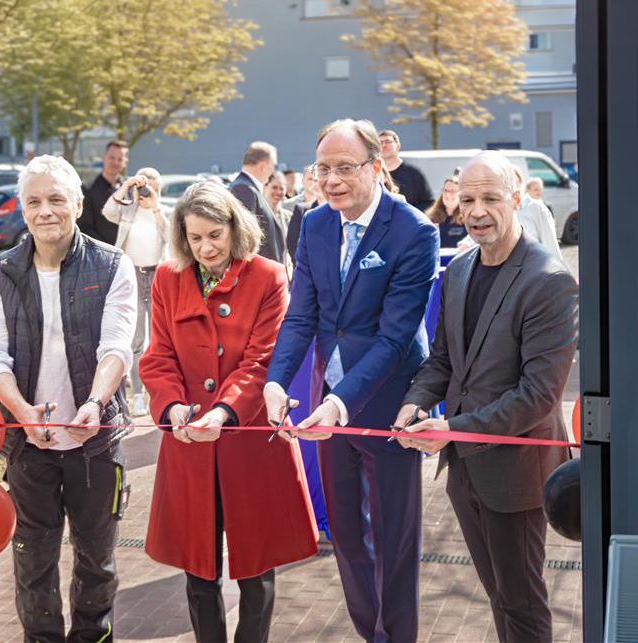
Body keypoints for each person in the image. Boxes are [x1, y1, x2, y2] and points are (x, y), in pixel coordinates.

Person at [264, 119, 440, 642]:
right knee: (345, 534)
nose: (332, 180)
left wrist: (340, 403)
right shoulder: (314, 224)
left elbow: (394, 339)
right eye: (323, 169)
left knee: (394, 540)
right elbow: (301, 316)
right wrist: (277, 380)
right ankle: (372, 633)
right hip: (326, 406)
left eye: (345, 168)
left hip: (388, 405)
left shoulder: (414, 231)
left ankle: (399, 636)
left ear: (376, 166)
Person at [395, 151, 578, 643]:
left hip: (517, 473)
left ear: (517, 199)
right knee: (499, 595)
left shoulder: (550, 282)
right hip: (465, 470)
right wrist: (415, 403)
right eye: (468, 198)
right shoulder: (458, 271)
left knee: (521, 603)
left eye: (491, 198)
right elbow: (443, 360)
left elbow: (538, 396)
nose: (476, 210)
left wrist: (450, 428)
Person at [139, 182, 318, 643]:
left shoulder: (268, 275)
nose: (206, 248)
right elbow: (158, 355)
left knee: (256, 567)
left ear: (234, 228)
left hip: (248, 439)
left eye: (214, 235)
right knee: (198, 570)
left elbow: (263, 360)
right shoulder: (167, 278)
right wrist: (172, 405)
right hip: (188, 444)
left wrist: (223, 413)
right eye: (195, 238)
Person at [0, 155, 137, 642]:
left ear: (76, 202)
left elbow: (117, 344)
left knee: (97, 564)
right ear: (23, 209)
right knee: (33, 564)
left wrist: (95, 401)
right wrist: (22, 415)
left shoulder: (112, 266)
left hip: (95, 442)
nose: (45, 211)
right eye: (34, 202)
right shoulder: (0, 273)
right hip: (28, 448)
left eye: (56, 200)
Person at [102, 167, 171, 417]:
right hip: (131, 274)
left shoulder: (163, 212)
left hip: (157, 277)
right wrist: (126, 185)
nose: (147, 192)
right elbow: (108, 211)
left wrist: (155, 207)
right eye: (144, 187)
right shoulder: (128, 210)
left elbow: (171, 237)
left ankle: (159, 391)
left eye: (153, 187)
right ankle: (138, 395)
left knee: (160, 338)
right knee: (136, 341)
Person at [228, 141, 286, 264]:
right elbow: (245, 240)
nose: (273, 171)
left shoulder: (247, 187)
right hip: (258, 275)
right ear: (263, 166)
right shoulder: (244, 189)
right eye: (274, 166)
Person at [78, 140, 129, 245]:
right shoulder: (87, 188)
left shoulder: (130, 189)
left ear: (125, 162)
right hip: (100, 255)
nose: (115, 162)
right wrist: (108, 251)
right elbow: (84, 228)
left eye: (120, 159)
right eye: (111, 157)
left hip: (128, 255)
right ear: (103, 158)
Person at [379, 129, 433, 211]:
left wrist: (408, 213)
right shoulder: (373, 174)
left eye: (388, 141)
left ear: (398, 146)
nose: (384, 145)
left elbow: (428, 203)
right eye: (380, 143)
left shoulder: (413, 173)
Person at [425, 176, 467, 248]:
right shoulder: (430, 218)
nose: (448, 194)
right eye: (445, 190)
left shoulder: (468, 218)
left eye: (453, 191)